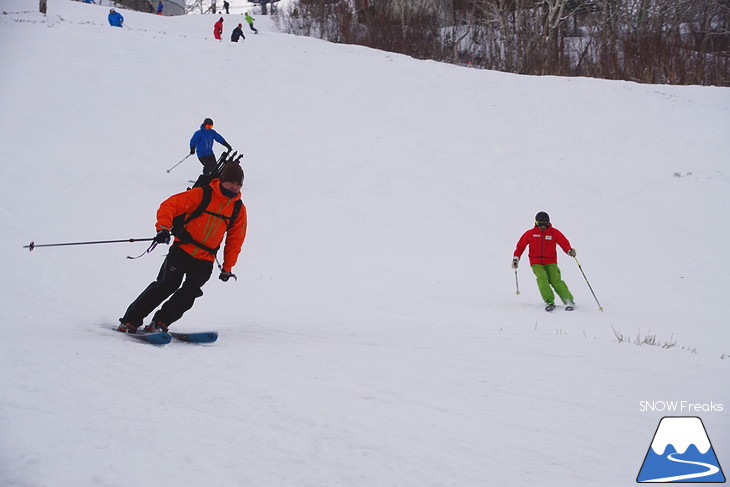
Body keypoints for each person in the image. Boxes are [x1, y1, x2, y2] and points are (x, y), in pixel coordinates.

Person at [117, 163, 247, 334]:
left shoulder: (238, 208)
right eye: (231, 183)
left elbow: (235, 239)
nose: (234, 187)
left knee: (191, 291)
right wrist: (163, 228)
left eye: (238, 184)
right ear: (222, 180)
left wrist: (227, 267)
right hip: (182, 250)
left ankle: (161, 322)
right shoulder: (203, 194)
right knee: (167, 284)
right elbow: (170, 205)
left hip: (206, 258)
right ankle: (130, 321)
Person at [512, 211, 576, 312]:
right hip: (535, 261)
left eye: (545, 225)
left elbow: (563, 242)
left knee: (555, 281)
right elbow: (520, 246)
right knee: (542, 278)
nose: (543, 227)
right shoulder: (530, 234)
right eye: (540, 225)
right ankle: (549, 301)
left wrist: (569, 250)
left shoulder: (554, 232)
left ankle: (568, 301)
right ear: (536, 223)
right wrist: (516, 258)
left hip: (551, 261)